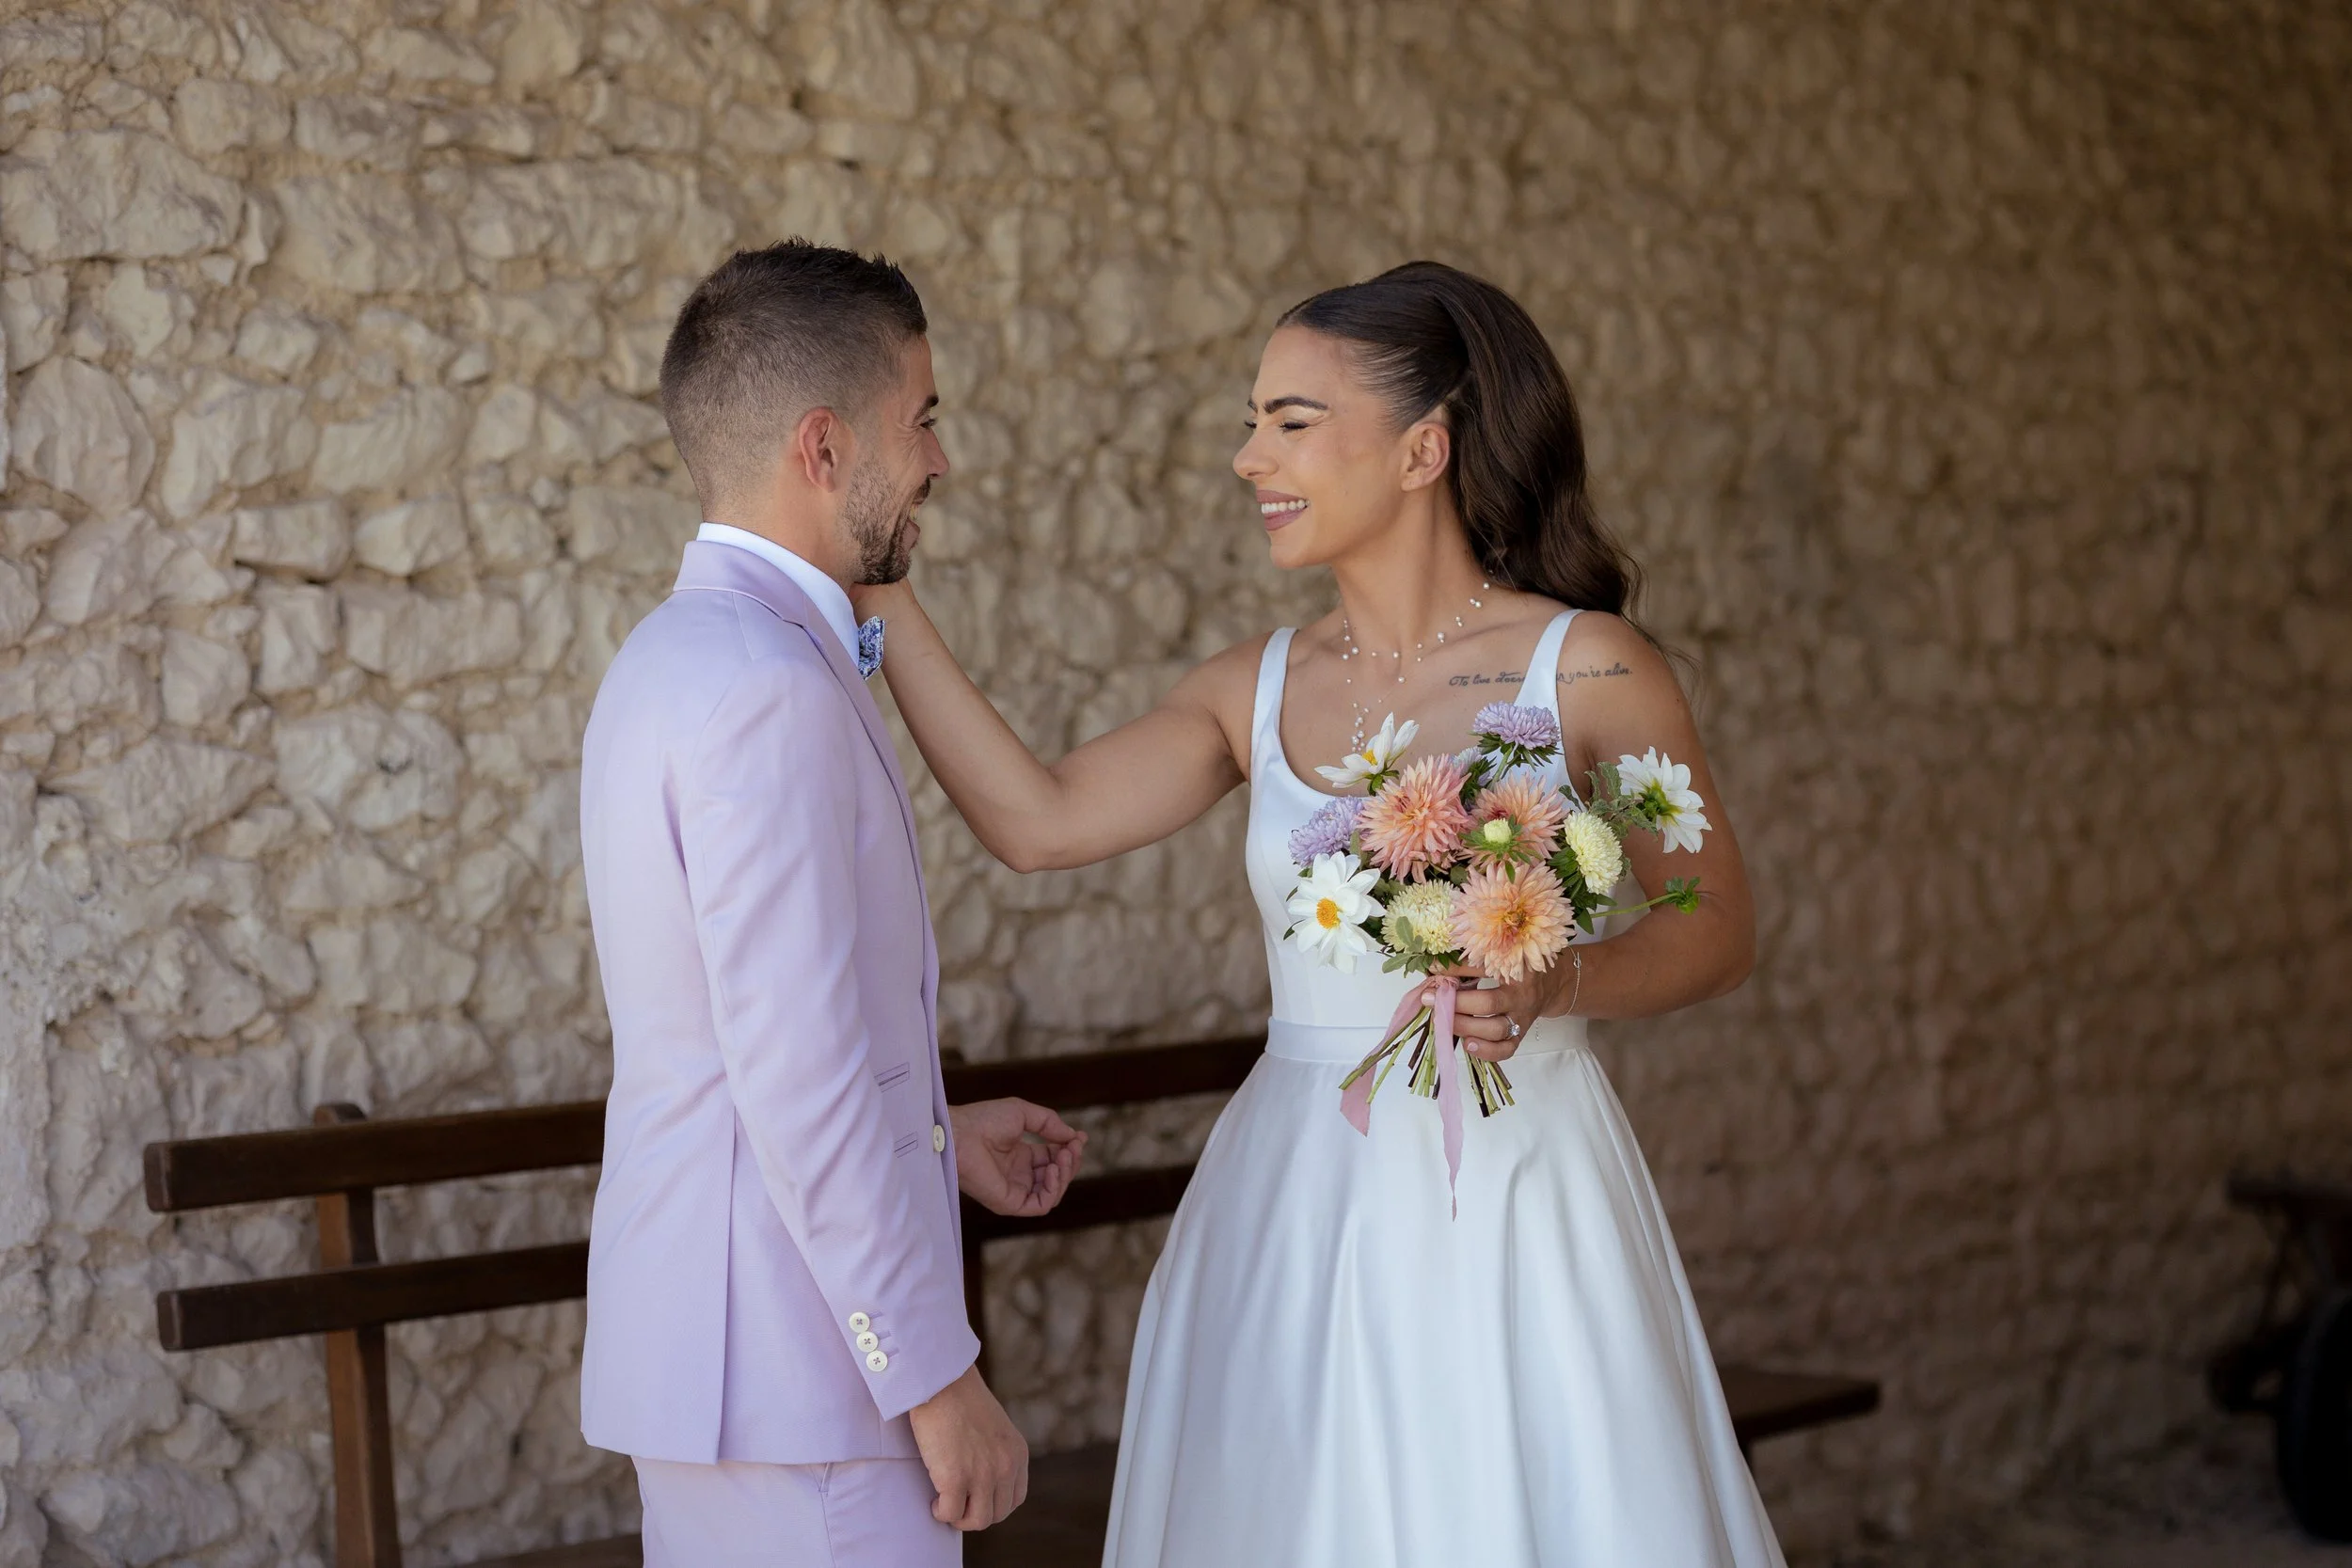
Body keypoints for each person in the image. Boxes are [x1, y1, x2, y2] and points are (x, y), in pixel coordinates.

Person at [856, 260, 1784, 1565]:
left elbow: (1712, 920)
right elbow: (1039, 819)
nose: (1251, 458)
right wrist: (879, 589)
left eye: (1291, 422)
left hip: (1518, 1196)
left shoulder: (1589, 668)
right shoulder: (1256, 686)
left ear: (1422, 450)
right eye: (1253, 423)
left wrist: (1557, 984)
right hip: (1296, 1197)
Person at [576, 240, 1089, 1568]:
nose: (938, 460)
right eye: (921, 418)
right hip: (804, 1386)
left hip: (726, 1366)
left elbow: (733, 1041)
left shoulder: (671, 654)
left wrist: (937, 1135)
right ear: (824, 444)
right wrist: (933, 1375)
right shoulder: (768, 686)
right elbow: (794, 1070)